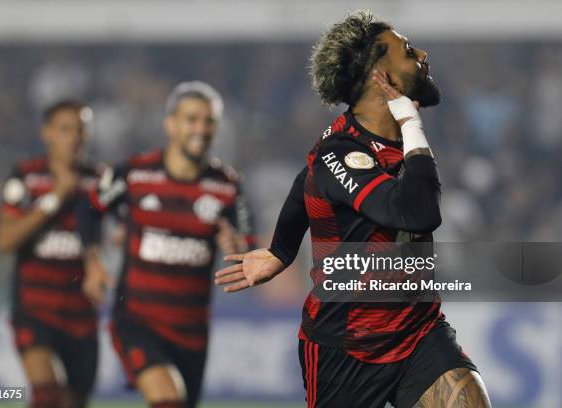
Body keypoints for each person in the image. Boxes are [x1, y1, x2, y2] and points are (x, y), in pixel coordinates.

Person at [215, 11, 491, 408]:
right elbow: (416, 214)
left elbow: (301, 185)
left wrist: (280, 250)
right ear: (381, 75)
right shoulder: (342, 153)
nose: (423, 55)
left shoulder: (363, 146)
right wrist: (411, 122)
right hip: (345, 349)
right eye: (408, 51)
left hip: (417, 331)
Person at [78, 81, 255, 408]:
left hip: (192, 331)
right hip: (137, 321)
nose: (200, 129)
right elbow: (88, 210)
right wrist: (92, 261)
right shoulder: (133, 174)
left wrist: (238, 249)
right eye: (192, 119)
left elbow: (251, 249)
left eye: (208, 121)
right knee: (167, 400)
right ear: (170, 124)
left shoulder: (227, 187)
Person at [0, 100, 100, 408]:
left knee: (74, 402)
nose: (74, 137)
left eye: (80, 129)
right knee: (47, 395)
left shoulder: (100, 181)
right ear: (47, 134)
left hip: (81, 312)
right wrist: (55, 198)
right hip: (35, 308)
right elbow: (4, 241)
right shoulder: (26, 178)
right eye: (65, 129)